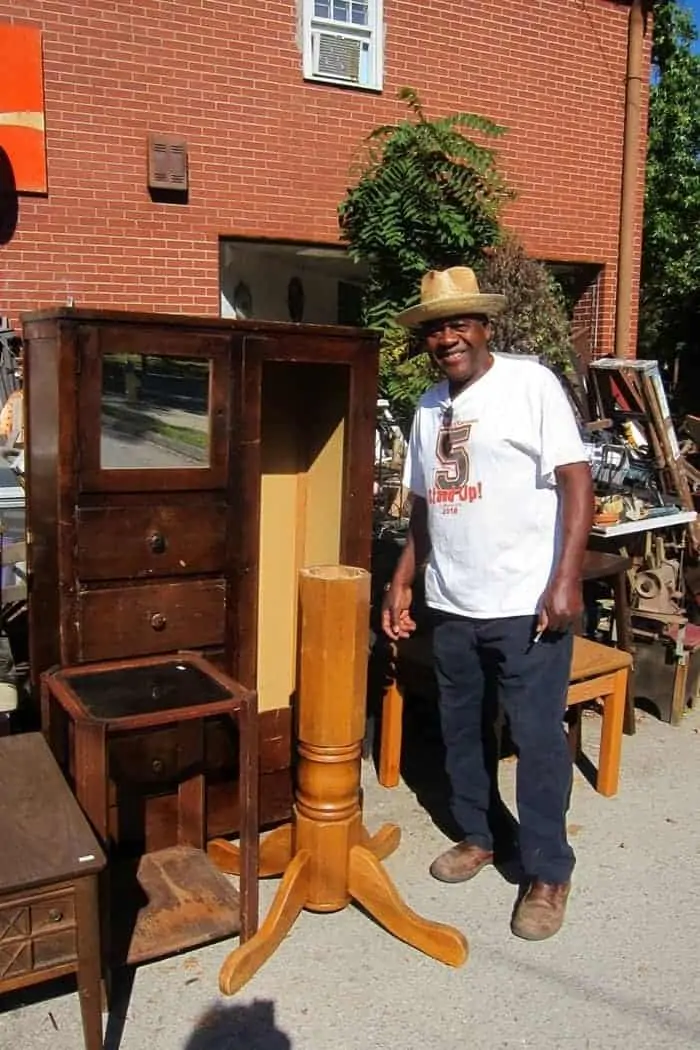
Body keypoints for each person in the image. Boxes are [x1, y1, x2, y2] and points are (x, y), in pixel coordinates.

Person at [382, 266, 594, 941]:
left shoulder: (530, 385)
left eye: (458, 323)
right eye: (435, 328)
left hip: (526, 603)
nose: (447, 337)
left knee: (535, 739)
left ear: (484, 326)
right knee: (461, 728)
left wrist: (566, 578)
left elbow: (576, 481)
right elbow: (424, 504)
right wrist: (404, 578)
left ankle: (547, 870)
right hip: (453, 603)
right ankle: (479, 834)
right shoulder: (425, 408)